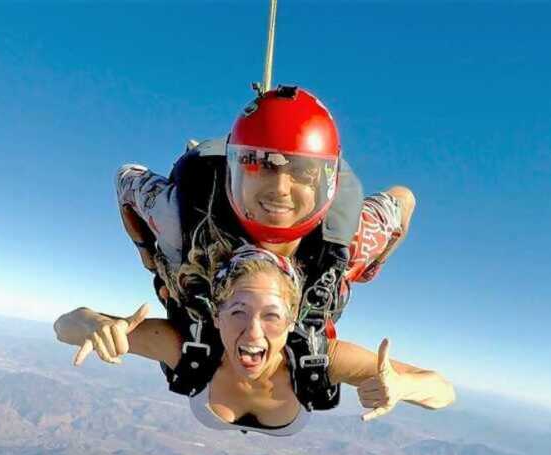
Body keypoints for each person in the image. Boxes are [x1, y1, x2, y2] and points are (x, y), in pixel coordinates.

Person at [116, 85, 418, 411]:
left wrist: (366, 267)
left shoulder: (351, 240)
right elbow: (127, 179)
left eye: (302, 172)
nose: (280, 189)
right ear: (234, 168)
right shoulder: (180, 218)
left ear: (324, 181)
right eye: (260, 164)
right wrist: (155, 260)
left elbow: (404, 200)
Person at [54, 245, 454, 436]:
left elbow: (443, 392)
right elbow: (63, 327)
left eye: (272, 316)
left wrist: (403, 386)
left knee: (404, 199)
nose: (253, 333)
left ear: (293, 320)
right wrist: (92, 323)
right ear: (216, 314)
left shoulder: (319, 360)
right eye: (238, 312)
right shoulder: (190, 348)